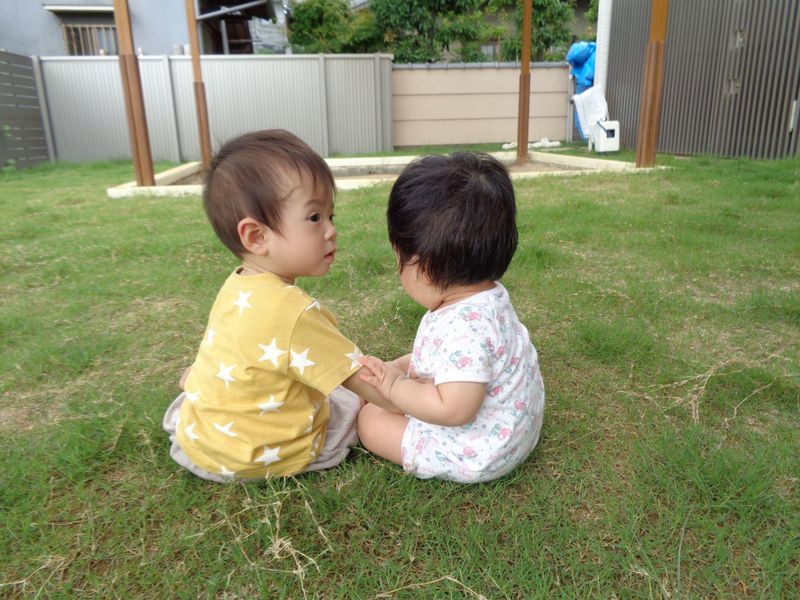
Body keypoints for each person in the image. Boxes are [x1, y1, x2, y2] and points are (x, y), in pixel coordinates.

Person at [163, 129, 382, 482]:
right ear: (256, 236)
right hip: (266, 455)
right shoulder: (294, 312)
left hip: (202, 446)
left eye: (331, 216)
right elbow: (362, 382)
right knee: (348, 401)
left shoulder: (237, 285)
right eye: (314, 217)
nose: (330, 231)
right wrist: (417, 400)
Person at [357, 152, 545, 483]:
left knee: (371, 420)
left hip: (484, 449)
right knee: (385, 399)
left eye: (399, 258)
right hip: (514, 428)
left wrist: (396, 385)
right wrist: (400, 366)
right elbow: (454, 360)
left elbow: (454, 409)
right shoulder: (485, 296)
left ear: (424, 266)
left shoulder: (465, 326)